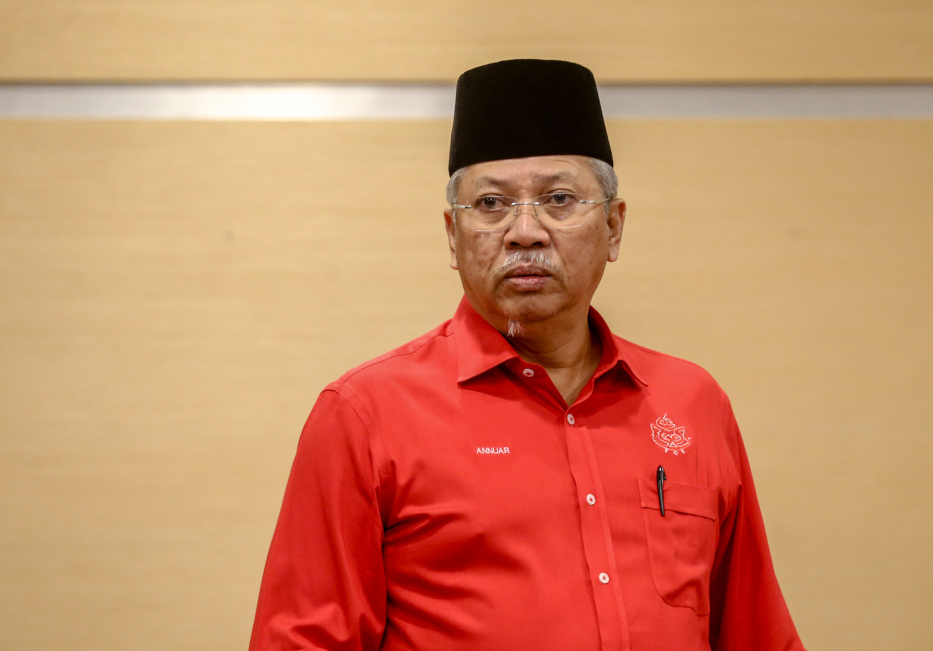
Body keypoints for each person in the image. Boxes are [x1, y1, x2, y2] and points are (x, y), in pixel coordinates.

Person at [249, 59, 806, 651]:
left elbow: (754, 631)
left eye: (559, 199)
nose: (525, 231)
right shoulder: (365, 414)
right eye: (490, 205)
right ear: (452, 237)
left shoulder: (692, 403)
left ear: (614, 228)